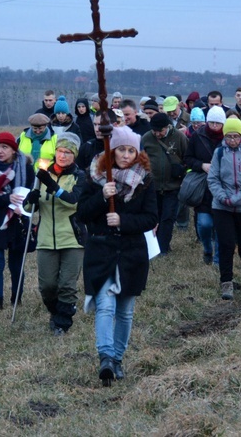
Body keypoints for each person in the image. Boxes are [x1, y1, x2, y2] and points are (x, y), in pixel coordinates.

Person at [78, 125, 158, 384]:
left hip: (131, 253)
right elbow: (82, 213)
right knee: (105, 305)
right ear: (111, 152)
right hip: (102, 251)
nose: (126, 155)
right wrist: (102, 197)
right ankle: (106, 358)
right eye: (121, 149)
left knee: (124, 310)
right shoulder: (96, 177)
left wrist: (122, 220)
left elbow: (150, 217)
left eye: (131, 150)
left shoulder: (145, 180)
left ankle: (118, 359)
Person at [25, 133, 87, 335]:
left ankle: (62, 323)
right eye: (60, 151)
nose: (62, 156)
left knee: (67, 286)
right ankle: (57, 312)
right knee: (48, 286)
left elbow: (73, 201)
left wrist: (53, 186)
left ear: (74, 155)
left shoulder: (80, 176)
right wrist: (31, 198)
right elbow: (28, 207)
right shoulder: (43, 173)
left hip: (72, 238)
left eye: (68, 153)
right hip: (45, 238)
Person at [0, 132, 35, 311]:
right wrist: (7, 199)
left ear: (13, 150)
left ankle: (16, 299)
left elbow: (32, 197)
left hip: (17, 221)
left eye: (5, 147)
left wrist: (23, 205)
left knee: (16, 264)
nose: (0, 151)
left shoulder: (26, 168)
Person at [208, 116, 241, 298]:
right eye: (229, 137)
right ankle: (226, 282)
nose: (233, 141)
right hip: (222, 206)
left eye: (236, 137)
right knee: (226, 244)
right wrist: (223, 197)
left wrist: (238, 198)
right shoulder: (219, 152)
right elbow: (212, 178)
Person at [141, 112, 188, 256]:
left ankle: (163, 248)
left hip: (173, 186)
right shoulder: (146, 138)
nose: (157, 134)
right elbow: (141, 160)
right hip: (152, 187)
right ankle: (152, 246)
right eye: (154, 131)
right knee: (155, 218)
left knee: (167, 218)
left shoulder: (180, 138)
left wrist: (182, 170)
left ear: (167, 127)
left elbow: (188, 158)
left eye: (159, 131)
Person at [185, 106, 226, 265]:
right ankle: (207, 248)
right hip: (203, 187)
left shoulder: (228, 138)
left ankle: (217, 259)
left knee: (219, 226)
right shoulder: (197, 136)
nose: (214, 126)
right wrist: (202, 165)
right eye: (212, 122)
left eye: (218, 123)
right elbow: (188, 158)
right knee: (204, 224)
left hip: (222, 187)